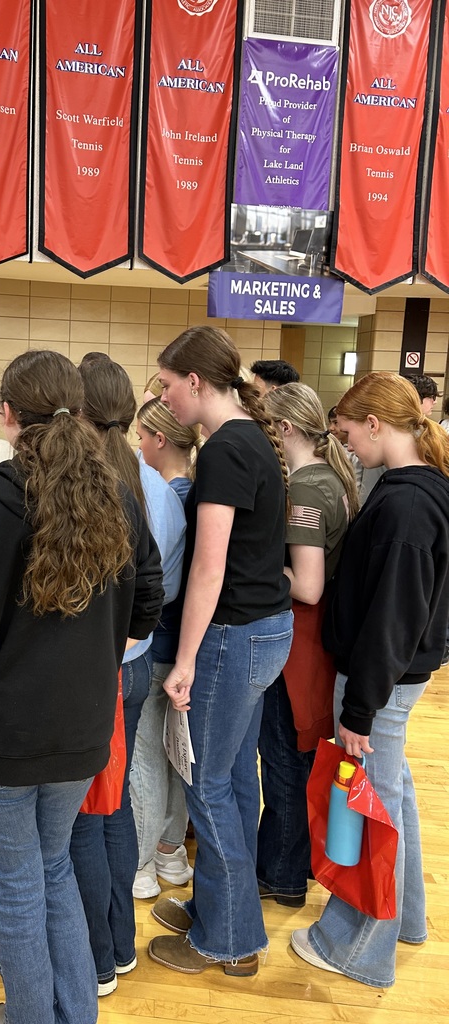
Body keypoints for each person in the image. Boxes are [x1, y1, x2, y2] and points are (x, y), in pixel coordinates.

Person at [0, 350, 164, 1024]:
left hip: (4, 738)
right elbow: (149, 594)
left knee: (16, 886)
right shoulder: (116, 496)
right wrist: (97, 654)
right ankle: (72, 1013)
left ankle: (32, 1015)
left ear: (7, 415)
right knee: (53, 867)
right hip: (81, 727)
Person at [290, 372, 449, 987]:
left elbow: (393, 617)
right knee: (393, 798)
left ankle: (362, 950)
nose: (348, 447)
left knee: (372, 810)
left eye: (351, 435)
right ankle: (403, 919)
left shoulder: (408, 503)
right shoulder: (420, 488)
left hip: (378, 684)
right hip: (390, 679)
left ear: (377, 425)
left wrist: (358, 712)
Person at [147, 326, 293, 979]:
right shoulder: (246, 440)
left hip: (236, 635)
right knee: (232, 779)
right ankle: (222, 908)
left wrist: (184, 662)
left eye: (169, 385)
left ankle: (228, 940)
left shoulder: (230, 450)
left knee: (208, 783)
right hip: (261, 630)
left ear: (197, 381)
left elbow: (209, 569)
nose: (164, 397)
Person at [69, 355, 186, 995]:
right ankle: (116, 943)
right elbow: (155, 588)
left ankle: (101, 951)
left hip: (105, 672)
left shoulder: (97, 491)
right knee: (113, 807)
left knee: (94, 814)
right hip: (135, 661)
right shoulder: (157, 490)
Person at [256, 383, 358, 909]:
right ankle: (285, 864)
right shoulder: (326, 478)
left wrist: (254, 564)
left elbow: (309, 585)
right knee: (291, 760)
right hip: (309, 646)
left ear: (285, 430)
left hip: (299, 646)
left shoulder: (307, 490)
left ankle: (283, 873)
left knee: (283, 761)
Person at [131, 397, 199, 899]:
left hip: (158, 642)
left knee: (147, 757)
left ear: (159, 439)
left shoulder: (161, 497)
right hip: (184, 642)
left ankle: (140, 862)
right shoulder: (193, 494)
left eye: (140, 437)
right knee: (176, 753)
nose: (137, 446)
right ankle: (171, 851)